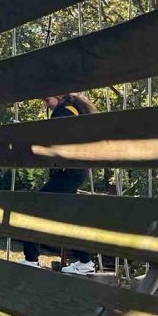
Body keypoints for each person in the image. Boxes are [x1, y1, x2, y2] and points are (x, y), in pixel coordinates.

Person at [18, 92, 98, 275]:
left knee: (33, 207)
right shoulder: (75, 111)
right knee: (68, 217)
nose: (47, 105)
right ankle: (85, 261)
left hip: (68, 174)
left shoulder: (63, 114)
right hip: (75, 173)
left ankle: (31, 259)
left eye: (47, 100)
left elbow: (48, 141)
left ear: (60, 95)